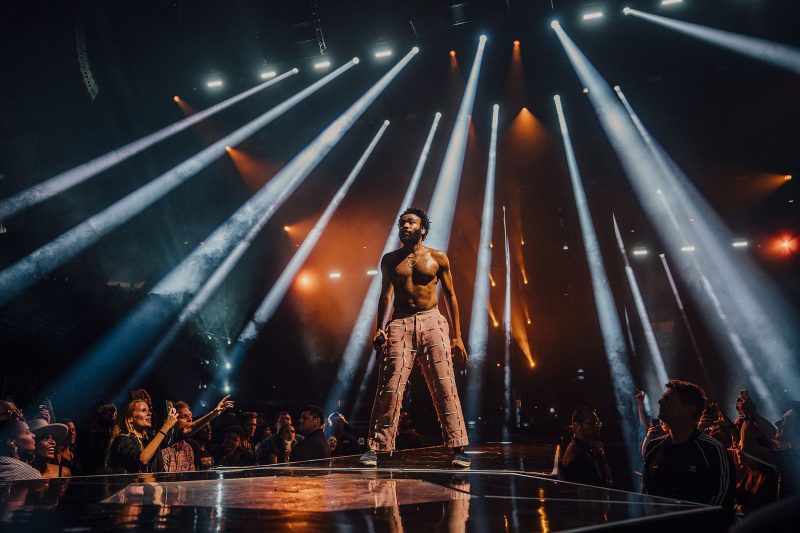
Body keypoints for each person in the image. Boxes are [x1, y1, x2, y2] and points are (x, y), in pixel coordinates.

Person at [360, 208, 469, 468]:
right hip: (400, 322)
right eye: (402, 222)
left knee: (444, 383)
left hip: (432, 320)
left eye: (410, 222)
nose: (405, 226)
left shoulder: (437, 257)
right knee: (390, 386)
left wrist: (458, 337)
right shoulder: (390, 260)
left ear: (423, 229)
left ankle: (458, 447)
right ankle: (376, 447)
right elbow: (385, 295)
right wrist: (379, 328)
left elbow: (451, 295)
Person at [643, 380, 734, 519]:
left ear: (690, 410)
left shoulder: (712, 449)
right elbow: (646, 496)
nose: (660, 402)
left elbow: (721, 501)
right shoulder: (653, 448)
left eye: (668, 400)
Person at [738, 393, 799, 499]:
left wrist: (747, 417)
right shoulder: (793, 451)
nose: (777, 423)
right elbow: (773, 434)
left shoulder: (793, 458)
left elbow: (748, 447)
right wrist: (753, 414)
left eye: (785, 420)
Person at [108, 391, 177, 474]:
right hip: (128, 482)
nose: (149, 413)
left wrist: (170, 424)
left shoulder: (150, 438)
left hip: (150, 482)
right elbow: (142, 459)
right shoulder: (122, 440)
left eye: (149, 410)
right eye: (143, 410)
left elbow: (167, 442)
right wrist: (166, 426)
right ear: (130, 418)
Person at [559, 408, 613, 487]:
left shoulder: (579, 448)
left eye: (598, 423)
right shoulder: (580, 457)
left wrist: (600, 453)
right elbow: (599, 488)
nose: (597, 427)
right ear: (577, 426)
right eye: (591, 423)